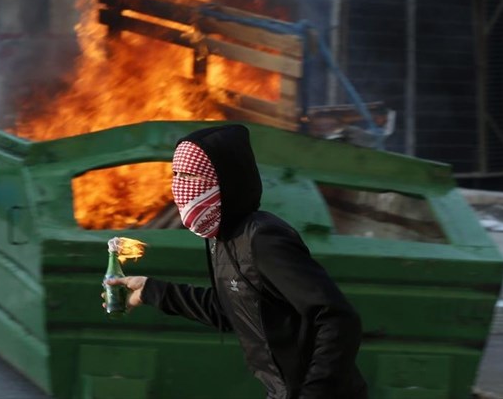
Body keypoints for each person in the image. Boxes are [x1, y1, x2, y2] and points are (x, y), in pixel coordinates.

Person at [105, 124, 368, 398]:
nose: (180, 187)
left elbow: (337, 318)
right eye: (176, 175)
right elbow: (233, 308)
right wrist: (150, 290)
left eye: (190, 175)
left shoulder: (263, 238)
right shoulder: (222, 238)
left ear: (225, 180)